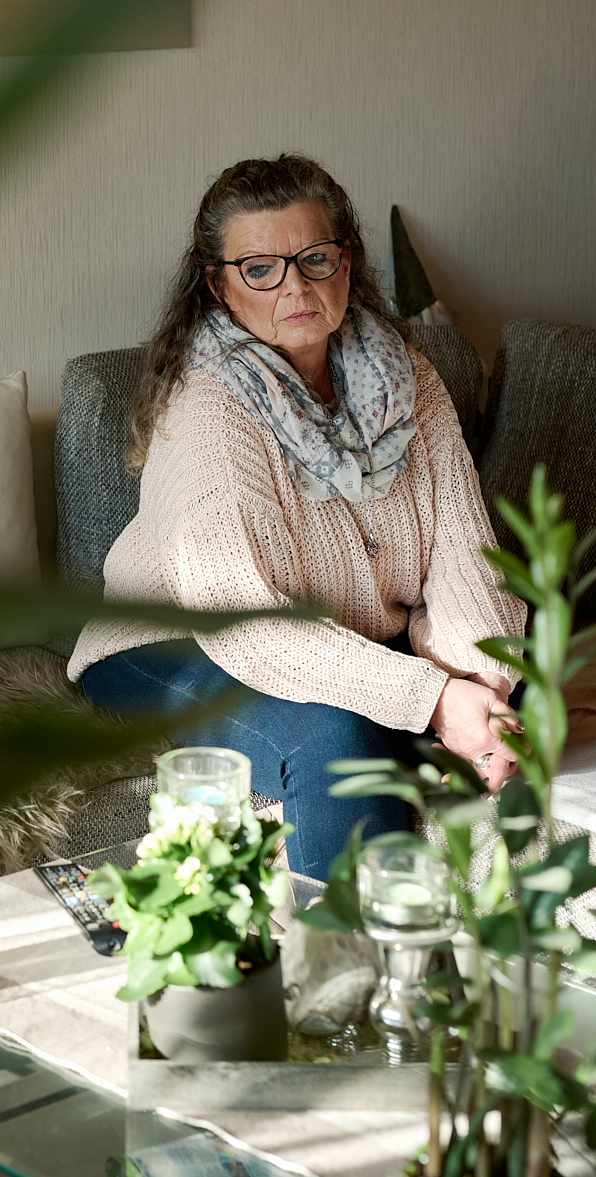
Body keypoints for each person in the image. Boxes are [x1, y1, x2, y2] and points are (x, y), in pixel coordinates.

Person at [71, 154, 526, 882]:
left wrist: (479, 687)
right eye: (261, 268)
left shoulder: (410, 379)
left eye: (315, 258)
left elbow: (468, 557)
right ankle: (345, 978)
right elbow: (253, 627)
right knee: (337, 735)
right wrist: (433, 698)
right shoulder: (211, 407)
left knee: (527, 687)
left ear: (346, 260)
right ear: (218, 285)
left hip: (344, 640)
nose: (296, 287)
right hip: (174, 643)